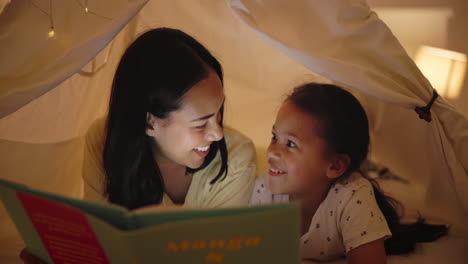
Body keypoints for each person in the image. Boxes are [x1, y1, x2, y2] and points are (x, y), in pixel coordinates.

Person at [20, 27, 257, 263]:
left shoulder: (236, 158)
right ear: (149, 122)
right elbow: (99, 239)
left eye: (218, 113)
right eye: (200, 124)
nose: (217, 134)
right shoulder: (102, 141)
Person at [250, 83, 447, 263]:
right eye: (274, 137)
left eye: (291, 144)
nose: (272, 151)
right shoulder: (262, 190)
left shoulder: (351, 196)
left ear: (335, 166)